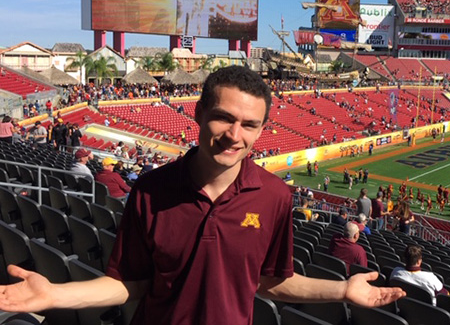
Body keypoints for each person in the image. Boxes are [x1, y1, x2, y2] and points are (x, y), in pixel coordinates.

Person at [0, 66, 407, 324]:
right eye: (224, 118)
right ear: (197, 114)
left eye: (249, 124)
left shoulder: (274, 197)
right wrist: (54, 294)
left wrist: (343, 290)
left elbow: (270, 283)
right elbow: (129, 285)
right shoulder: (151, 191)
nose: (235, 135)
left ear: (262, 129)